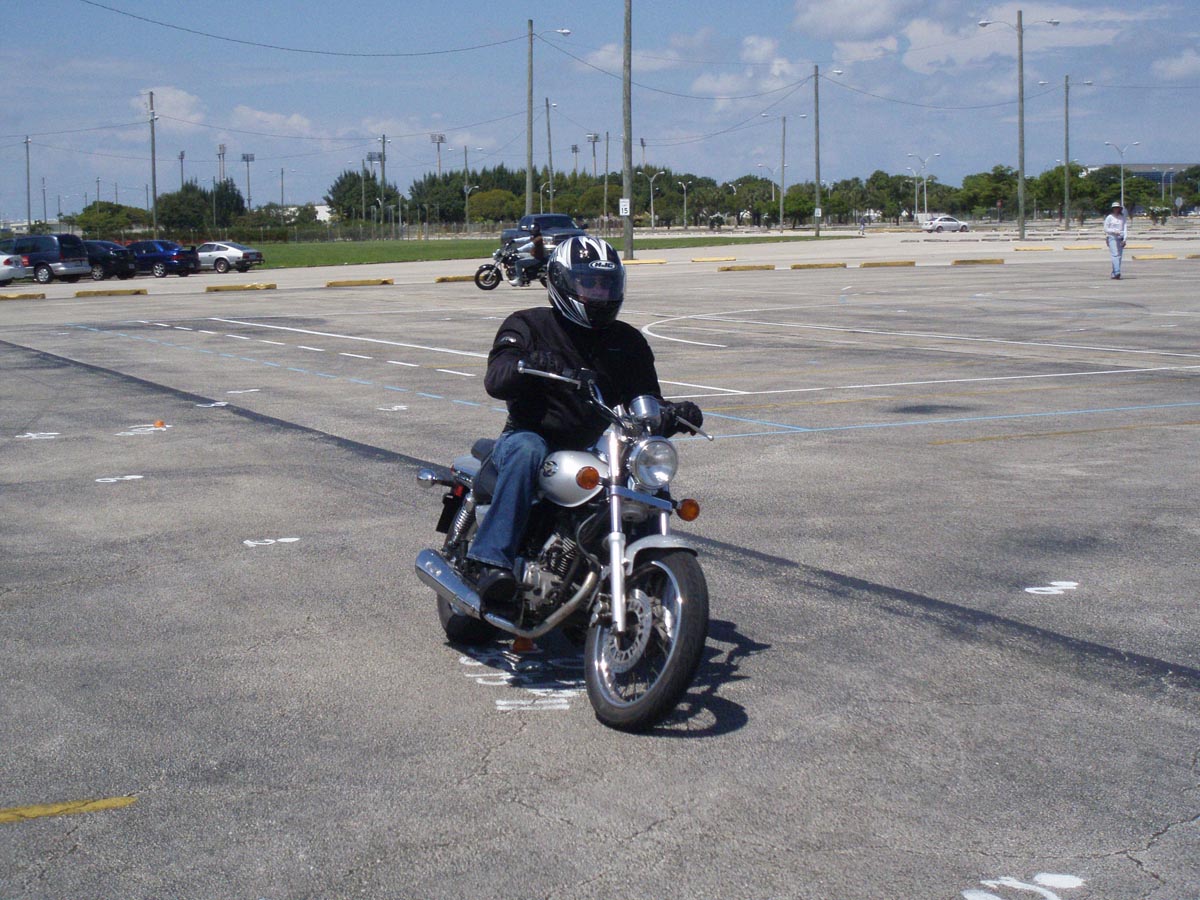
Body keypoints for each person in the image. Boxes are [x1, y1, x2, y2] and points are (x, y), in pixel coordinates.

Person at [465, 235, 703, 609]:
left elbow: (645, 400)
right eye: (588, 283)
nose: (599, 292)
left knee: (639, 470)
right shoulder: (528, 325)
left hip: (592, 443)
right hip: (529, 434)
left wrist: (672, 413)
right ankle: (490, 561)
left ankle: (618, 569)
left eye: (605, 284)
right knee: (528, 450)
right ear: (561, 282)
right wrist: (525, 366)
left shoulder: (627, 341)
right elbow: (496, 379)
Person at [1104, 200, 1128, 279]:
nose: (1116, 209)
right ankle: (1117, 272)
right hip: (1112, 237)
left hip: (1120, 238)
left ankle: (1114, 273)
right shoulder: (1109, 217)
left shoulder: (1122, 217)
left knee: (1119, 256)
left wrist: (1125, 239)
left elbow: (1125, 228)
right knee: (1115, 255)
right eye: (1114, 208)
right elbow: (1106, 229)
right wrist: (1114, 231)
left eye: (1117, 208)